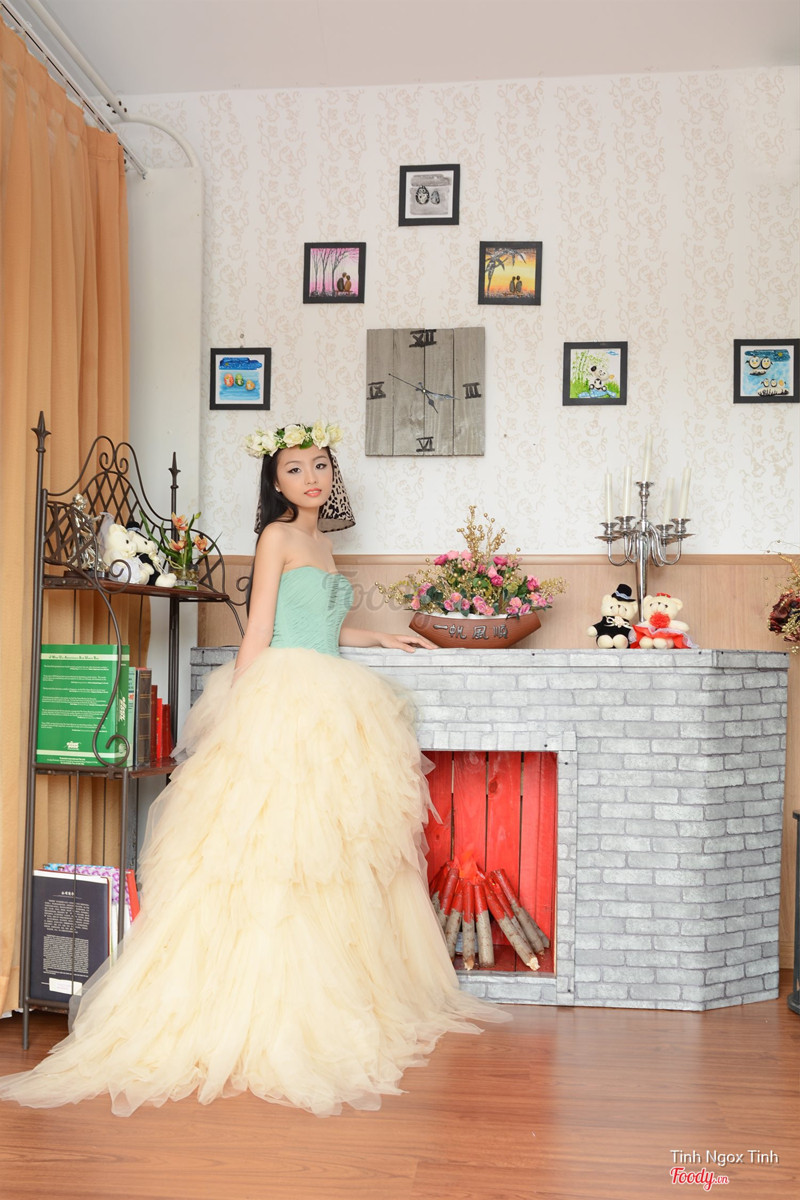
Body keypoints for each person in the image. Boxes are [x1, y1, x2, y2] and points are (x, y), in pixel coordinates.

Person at [0, 421, 508, 1117]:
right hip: (286, 692)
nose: (311, 478)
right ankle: (259, 1001)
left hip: (328, 685)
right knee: (275, 847)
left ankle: (331, 984)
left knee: (328, 852)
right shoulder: (276, 537)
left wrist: (378, 634)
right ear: (275, 481)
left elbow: (319, 627)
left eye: (320, 466)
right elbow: (261, 630)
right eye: (296, 468)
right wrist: (236, 711)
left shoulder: (322, 542)